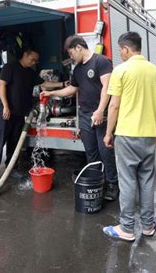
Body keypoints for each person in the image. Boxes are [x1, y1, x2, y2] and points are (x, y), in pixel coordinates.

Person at [102, 32, 156, 241]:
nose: (120, 54)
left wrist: (108, 133)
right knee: (146, 181)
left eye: (121, 50)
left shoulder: (120, 71)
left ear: (127, 49)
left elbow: (114, 105)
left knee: (127, 181)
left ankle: (127, 228)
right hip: (148, 135)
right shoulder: (154, 71)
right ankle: (148, 226)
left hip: (127, 135)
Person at [41, 35, 119, 201]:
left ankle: (113, 184)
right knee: (90, 153)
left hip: (101, 114)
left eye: (71, 53)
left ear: (78, 47)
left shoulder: (102, 61)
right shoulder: (77, 70)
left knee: (105, 151)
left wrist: (99, 110)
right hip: (84, 115)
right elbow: (72, 89)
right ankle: (97, 182)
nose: (71, 57)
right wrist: (51, 93)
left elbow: (107, 87)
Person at [0, 46, 66, 184]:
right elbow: (2, 85)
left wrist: (63, 83)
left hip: (19, 114)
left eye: (36, 60)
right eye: (32, 59)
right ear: (25, 55)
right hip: (5, 113)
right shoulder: (10, 67)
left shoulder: (29, 73)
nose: (34, 62)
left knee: (15, 143)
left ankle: (12, 169)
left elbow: (45, 83)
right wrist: (5, 106)